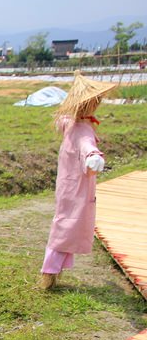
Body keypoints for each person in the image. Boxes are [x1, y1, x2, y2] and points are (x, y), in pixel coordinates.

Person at [40, 72, 118, 290]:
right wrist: (94, 157)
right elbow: (87, 147)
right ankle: (50, 274)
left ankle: (53, 274)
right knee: (68, 225)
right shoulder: (83, 129)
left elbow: (63, 123)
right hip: (77, 187)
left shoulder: (71, 123)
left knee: (65, 222)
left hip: (67, 183)